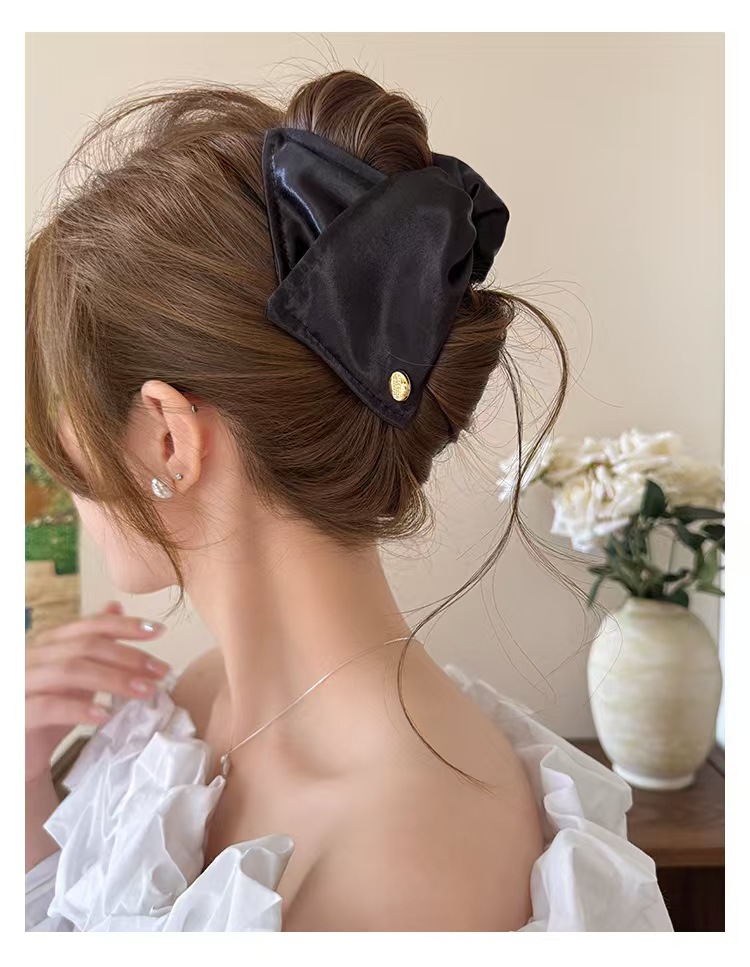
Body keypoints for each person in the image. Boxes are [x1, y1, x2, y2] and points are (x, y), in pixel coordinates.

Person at [25, 69, 673, 932]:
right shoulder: (189, 710)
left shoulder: (400, 869)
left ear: (169, 438)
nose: (58, 455)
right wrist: (23, 777)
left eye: (63, 409)